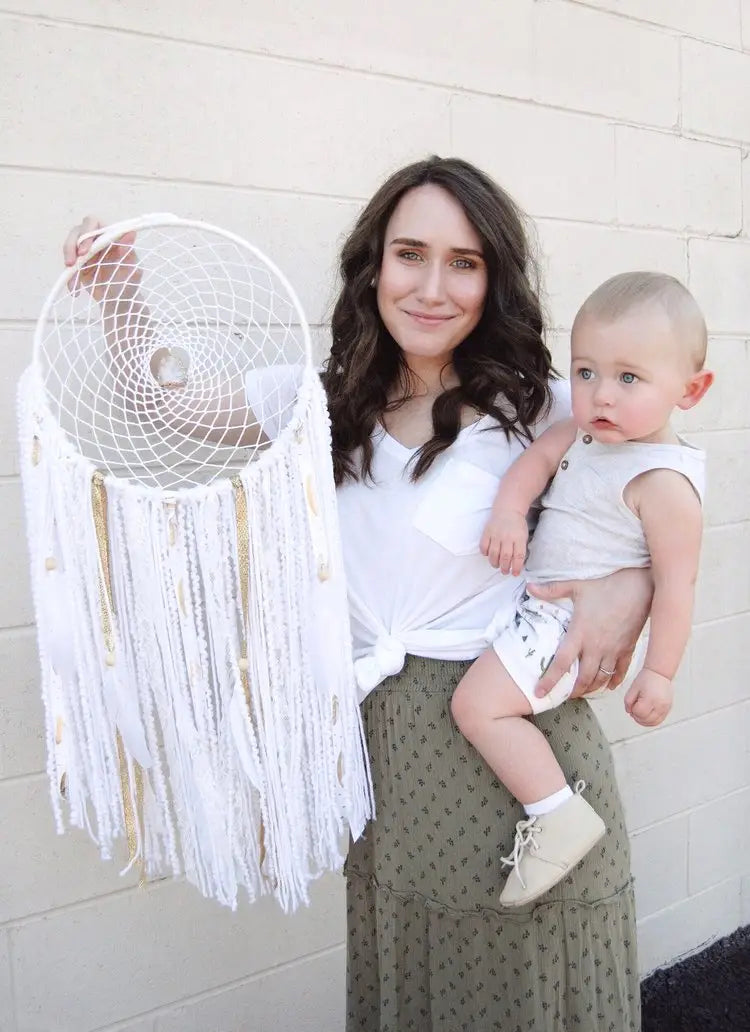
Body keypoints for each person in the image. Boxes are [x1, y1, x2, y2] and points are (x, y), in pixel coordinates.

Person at [63, 157, 651, 1031]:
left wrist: (631, 586)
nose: (432, 287)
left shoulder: (547, 405)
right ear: (374, 264)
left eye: (464, 262)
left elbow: (665, 486)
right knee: (418, 974)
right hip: (386, 748)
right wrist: (122, 295)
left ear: (493, 279)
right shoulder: (315, 405)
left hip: (517, 754)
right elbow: (161, 406)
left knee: (526, 984)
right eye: (410, 254)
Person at [451, 272, 712, 910]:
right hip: (536, 608)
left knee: (476, 707)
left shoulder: (663, 484)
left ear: (690, 391)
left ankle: (556, 812)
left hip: (571, 628)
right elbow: (535, 464)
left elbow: (677, 587)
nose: (601, 394)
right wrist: (508, 514)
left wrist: (660, 673)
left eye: (630, 378)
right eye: (586, 371)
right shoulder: (583, 430)